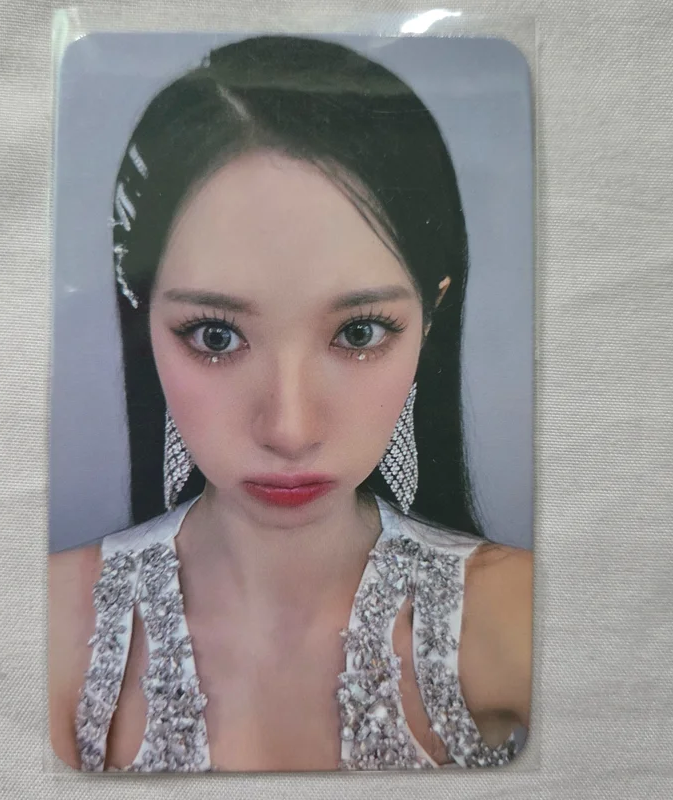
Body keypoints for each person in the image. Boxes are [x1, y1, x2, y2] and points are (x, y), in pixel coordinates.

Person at [48, 34, 532, 773]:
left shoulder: (520, 613)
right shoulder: (50, 622)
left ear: (430, 318)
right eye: (215, 336)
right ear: (144, 318)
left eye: (359, 332)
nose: (289, 428)